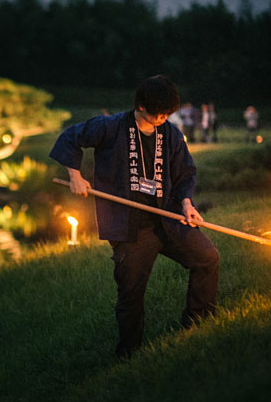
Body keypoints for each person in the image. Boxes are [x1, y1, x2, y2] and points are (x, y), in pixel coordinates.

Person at [50, 75, 219, 360]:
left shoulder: (171, 134)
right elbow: (71, 137)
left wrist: (187, 204)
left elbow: (185, 172)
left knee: (208, 258)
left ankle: (198, 323)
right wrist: (75, 175)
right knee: (131, 294)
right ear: (140, 106)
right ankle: (129, 354)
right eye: (158, 113)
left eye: (168, 113)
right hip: (130, 228)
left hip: (167, 218)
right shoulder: (111, 126)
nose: (163, 118)